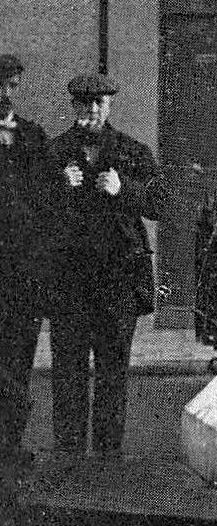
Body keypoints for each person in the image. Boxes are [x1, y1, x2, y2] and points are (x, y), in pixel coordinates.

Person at [48, 73, 165, 459]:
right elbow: (31, 210)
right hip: (71, 280)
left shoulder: (134, 152)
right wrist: (57, 185)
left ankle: (108, 459)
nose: (92, 110)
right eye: (85, 103)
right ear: (74, 106)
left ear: (109, 105)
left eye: (99, 103)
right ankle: (67, 457)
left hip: (118, 281)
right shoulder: (54, 153)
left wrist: (124, 189)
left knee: (113, 370)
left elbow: (160, 205)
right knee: (68, 370)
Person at [0, 53, 55, 460]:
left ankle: (10, 449)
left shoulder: (34, 138)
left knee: (18, 362)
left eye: (12, 86)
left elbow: (47, 203)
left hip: (22, 277)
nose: (4, 94)